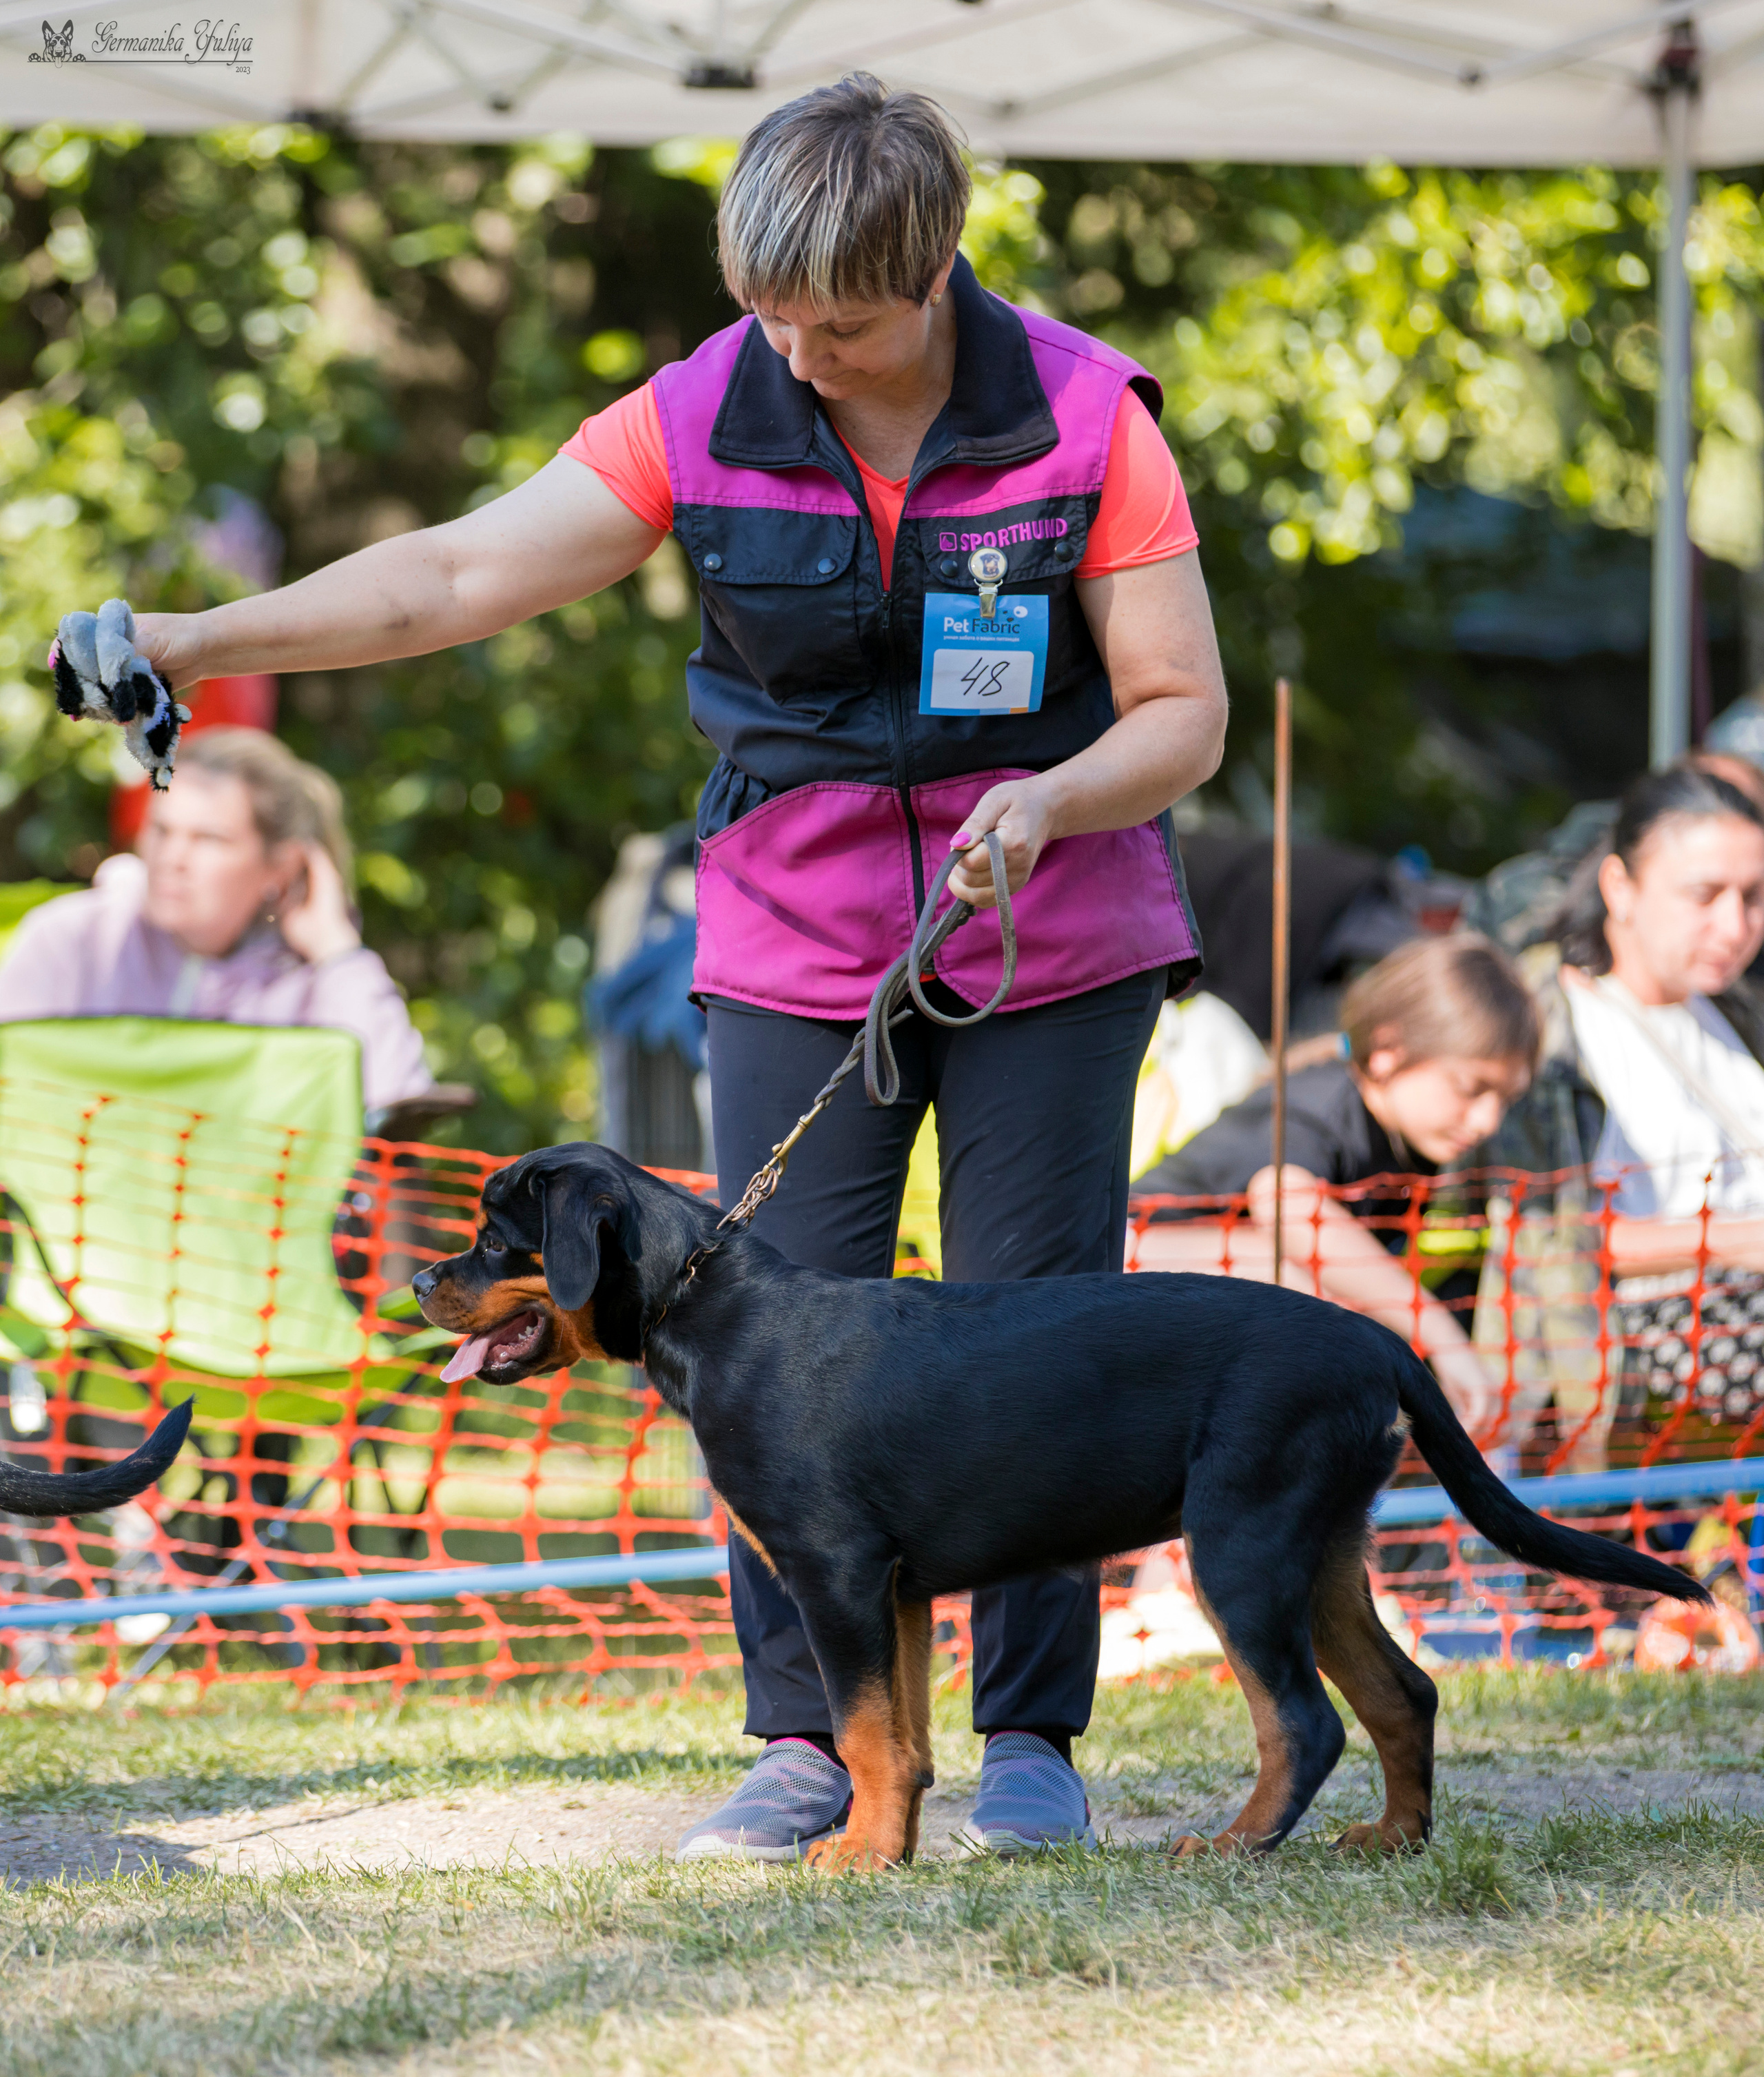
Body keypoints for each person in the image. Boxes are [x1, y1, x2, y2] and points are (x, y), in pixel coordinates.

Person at [82, 76, 1227, 1861]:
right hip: (792, 935)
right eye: (769, 307)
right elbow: (449, 573)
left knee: (1035, 1321)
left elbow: (1185, 712)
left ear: (931, 274)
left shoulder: (1087, 415)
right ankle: (805, 1742)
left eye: (838, 320)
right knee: (765, 1343)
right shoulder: (709, 401)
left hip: (1048, 931)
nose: (799, 349)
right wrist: (191, 633)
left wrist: (1051, 796)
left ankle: (1028, 1741)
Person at [1133, 934, 1540, 1435]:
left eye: (1506, 1099)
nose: (1488, 1120)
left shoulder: (1412, 1146)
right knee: (1322, 1305)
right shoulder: (1323, 1106)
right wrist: (1438, 1333)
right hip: (1130, 1265)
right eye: (1472, 1088)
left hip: (1204, 1323)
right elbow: (1287, 1207)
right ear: (1390, 1052)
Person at [1486, 765, 1764, 1458]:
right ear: (1619, 887)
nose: (1735, 925)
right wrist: (1730, 1239)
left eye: (1753, 895)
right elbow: (1553, 1241)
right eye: (1704, 894)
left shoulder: (1733, 1010)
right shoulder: (1555, 1029)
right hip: (1647, 1348)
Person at [0, 728, 433, 1116]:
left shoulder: (308, 984)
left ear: (279, 868)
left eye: (208, 839)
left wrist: (338, 951)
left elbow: (397, 1117)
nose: (173, 858)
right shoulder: (75, 940)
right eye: (162, 831)